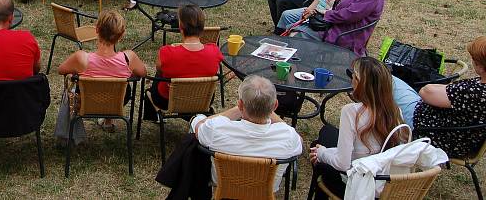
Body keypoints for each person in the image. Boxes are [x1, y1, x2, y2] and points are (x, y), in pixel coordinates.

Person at [309, 57, 408, 199]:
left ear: (361, 84)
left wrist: (322, 153)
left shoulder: (351, 112)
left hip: (358, 186)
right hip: (383, 183)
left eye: (354, 76)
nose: (351, 79)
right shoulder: (395, 110)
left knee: (318, 151)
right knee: (327, 132)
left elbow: (342, 164)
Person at [191, 76, 303, 192]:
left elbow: (198, 125)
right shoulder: (288, 136)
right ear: (275, 105)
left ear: (240, 105)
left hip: (224, 186)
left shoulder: (217, 129)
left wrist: (239, 109)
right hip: (264, 191)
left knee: (199, 118)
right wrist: (268, 110)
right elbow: (299, 141)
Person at [392, 36, 486, 158]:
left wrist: (442, 89)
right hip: (460, 139)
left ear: (480, 66)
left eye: (474, 59)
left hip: (428, 128)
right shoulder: (477, 89)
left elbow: (425, 92)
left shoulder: (474, 92)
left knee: (384, 79)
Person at [58, 9, 147, 130]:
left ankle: (105, 119)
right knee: (114, 84)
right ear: (121, 35)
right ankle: (108, 119)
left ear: (96, 30)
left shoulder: (81, 58)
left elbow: (61, 70)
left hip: (87, 101)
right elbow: (143, 73)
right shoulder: (128, 58)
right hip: (117, 102)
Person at [145, 5, 223, 118]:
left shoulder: (167, 52)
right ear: (202, 27)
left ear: (180, 26)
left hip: (166, 100)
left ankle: (153, 116)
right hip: (202, 100)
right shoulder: (214, 51)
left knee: (159, 74)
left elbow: (160, 70)